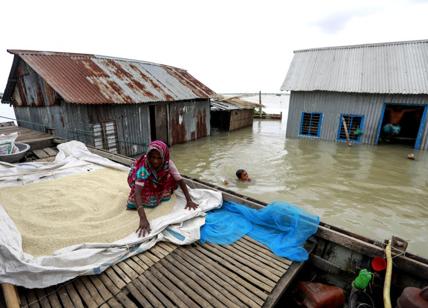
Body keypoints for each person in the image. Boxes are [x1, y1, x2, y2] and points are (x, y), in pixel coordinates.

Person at [127, 140, 198, 237]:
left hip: (158, 182)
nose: (155, 161)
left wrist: (189, 200)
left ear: (164, 157)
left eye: (159, 158)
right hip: (145, 182)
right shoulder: (144, 167)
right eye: (152, 157)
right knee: (133, 200)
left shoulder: (168, 164)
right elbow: (137, 193)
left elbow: (180, 180)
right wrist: (143, 218)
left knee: (171, 178)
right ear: (148, 156)